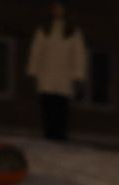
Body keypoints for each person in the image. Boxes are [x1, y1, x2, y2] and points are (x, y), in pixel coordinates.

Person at [26, 1, 88, 142]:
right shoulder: (44, 28)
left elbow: (78, 54)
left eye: (60, 8)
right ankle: (49, 134)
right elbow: (36, 51)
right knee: (47, 105)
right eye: (55, 8)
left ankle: (60, 135)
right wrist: (33, 70)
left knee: (61, 107)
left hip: (64, 75)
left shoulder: (73, 30)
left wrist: (78, 75)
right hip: (46, 73)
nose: (57, 11)